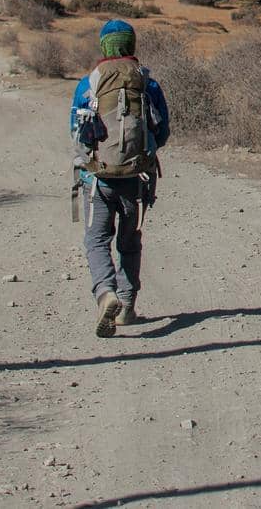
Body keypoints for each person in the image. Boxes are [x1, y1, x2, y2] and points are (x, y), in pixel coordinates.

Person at [71, 19, 170, 337]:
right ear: (131, 45)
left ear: (104, 46)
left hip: (98, 179)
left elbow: (77, 134)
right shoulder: (147, 83)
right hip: (137, 179)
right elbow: (163, 131)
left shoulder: (88, 83)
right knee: (129, 243)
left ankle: (105, 293)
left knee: (97, 239)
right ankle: (127, 305)